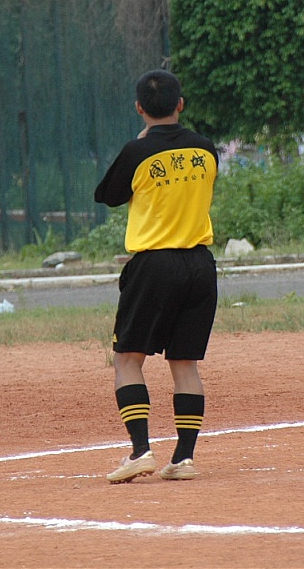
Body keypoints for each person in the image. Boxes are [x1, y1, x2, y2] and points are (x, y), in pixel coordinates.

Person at [93, 69, 219, 483]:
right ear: (180, 104)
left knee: (128, 359)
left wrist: (141, 143)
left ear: (139, 108)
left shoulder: (138, 150)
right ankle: (184, 458)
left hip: (154, 264)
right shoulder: (205, 149)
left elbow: (108, 196)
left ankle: (140, 451)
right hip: (199, 265)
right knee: (185, 364)